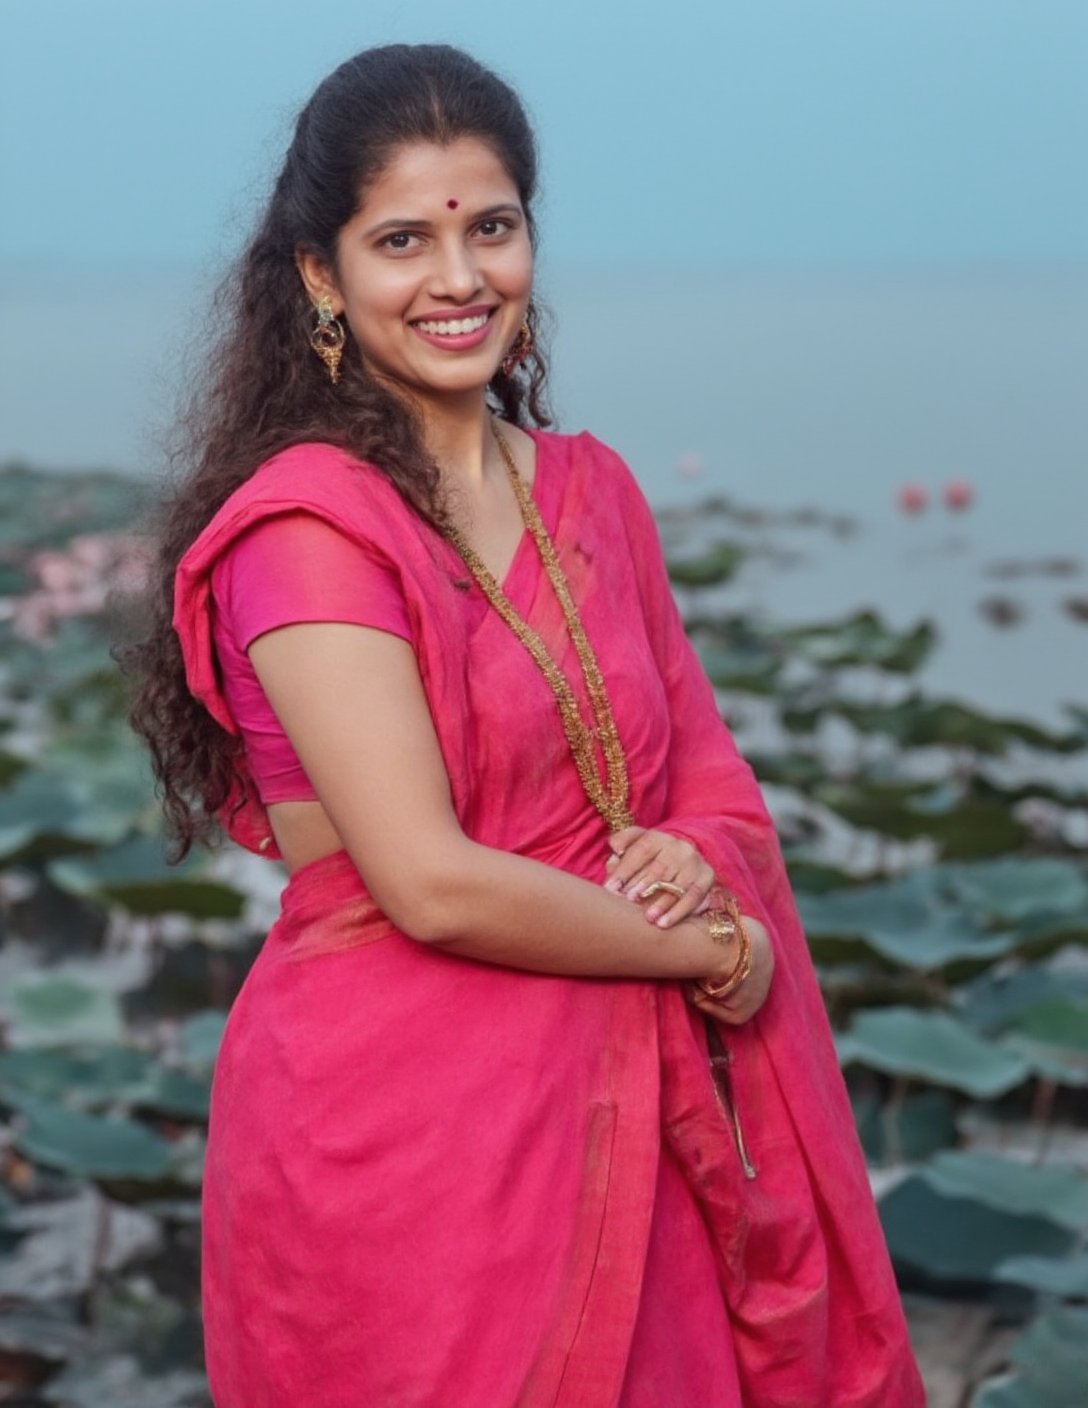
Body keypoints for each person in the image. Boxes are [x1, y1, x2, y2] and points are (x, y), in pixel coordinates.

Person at [120, 42, 924, 1408]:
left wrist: (693, 853)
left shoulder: (594, 491)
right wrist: (715, 945)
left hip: (640, 1110)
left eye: (490, 227)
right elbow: (426, 883)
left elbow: (708, 773)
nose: (458, 278)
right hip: (413, 1152)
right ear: (321, 274)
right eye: (401, 239)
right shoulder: (309, 527)